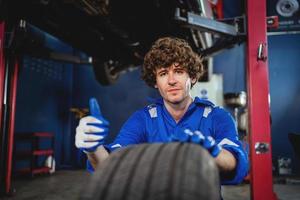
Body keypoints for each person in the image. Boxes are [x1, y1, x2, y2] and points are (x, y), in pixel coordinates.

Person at [75, 37, 248, 185]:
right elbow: (110, 165)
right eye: (163, 73)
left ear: (193, 77)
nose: (171, 80)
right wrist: (92, 148)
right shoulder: (143, 119)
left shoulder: (217, 116)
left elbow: (235, 161)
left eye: (179, 71)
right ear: (155, 81)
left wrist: (213, 155)